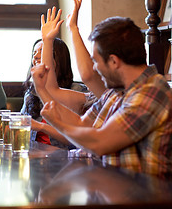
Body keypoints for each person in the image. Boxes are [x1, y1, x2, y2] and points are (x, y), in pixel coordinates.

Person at [33, 14, 172, 179]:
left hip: (145, 197)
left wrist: (55, 122)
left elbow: (99, 143)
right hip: (111, 188)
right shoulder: (117, 90)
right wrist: (41, 90)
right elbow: (82, 124)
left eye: (96, 61)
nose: (95, 68)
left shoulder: (152, 92)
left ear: (114, 61)